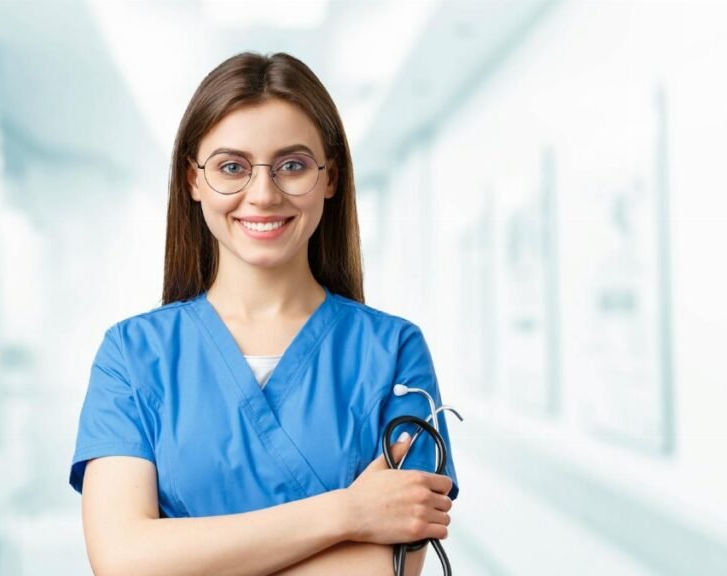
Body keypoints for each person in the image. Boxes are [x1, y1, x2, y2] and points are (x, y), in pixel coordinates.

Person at [70, 51, 459, 576]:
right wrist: (349, 512)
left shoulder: (392, 352)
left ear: (330, 177)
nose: (262, 194)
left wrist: (185, 557)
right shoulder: (133, 354)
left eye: (292, 165)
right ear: (193, 180)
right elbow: (123, 561)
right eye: (231, 167)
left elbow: (385, 567)